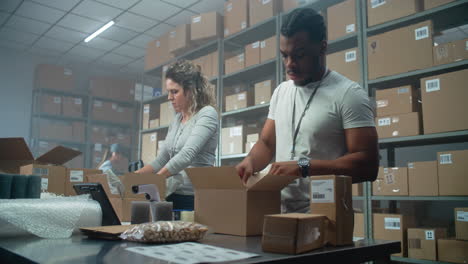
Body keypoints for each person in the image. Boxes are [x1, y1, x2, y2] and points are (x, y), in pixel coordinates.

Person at [236, 7, 379, 213]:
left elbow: (367, 165)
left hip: (323, 213)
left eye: (299, 55)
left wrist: (304, 167)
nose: (289, 65)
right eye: (284, 56)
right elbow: (267, 144)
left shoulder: (348, 94)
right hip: (276, 210)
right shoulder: (281, 92)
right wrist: (250, 160)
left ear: (322, 48)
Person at [136, 60, 218, 211]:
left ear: (191, 91)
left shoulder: (207, 114)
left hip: (193, 199)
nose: (169, 97)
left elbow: (187, 154)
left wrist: (156, 181)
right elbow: (162, 159)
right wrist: (133, 178)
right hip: (171, 193)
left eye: (175, 92)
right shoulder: (177, 119)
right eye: (168, 92)